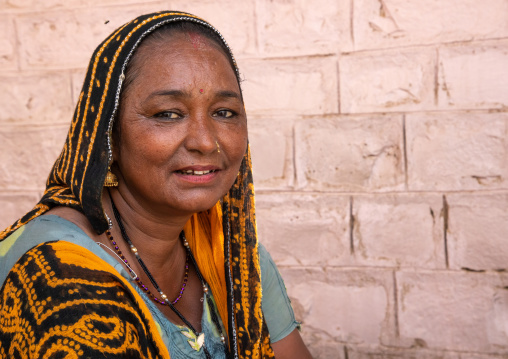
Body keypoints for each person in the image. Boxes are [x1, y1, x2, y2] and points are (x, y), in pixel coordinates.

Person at [0, 10, 313, 359]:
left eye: (224, 112)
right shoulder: (59, 279)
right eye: (168, 114)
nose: (206, 142)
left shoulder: (230, 254)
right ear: (109, 137)